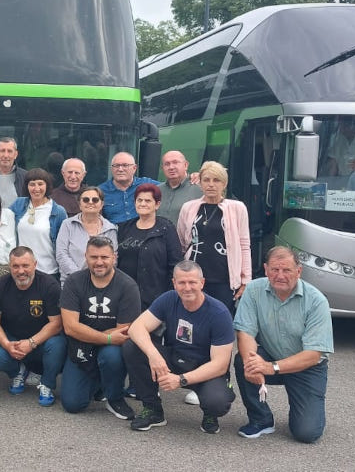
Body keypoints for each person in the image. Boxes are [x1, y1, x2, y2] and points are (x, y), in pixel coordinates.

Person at [234, 246, 333, 443]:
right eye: (274, 269)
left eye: (286, 270)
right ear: (265, 269)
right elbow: (245, 332)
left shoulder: (316, 301)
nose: (280, 275)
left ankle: (303, 412)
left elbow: (313, 354)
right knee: (242, 360)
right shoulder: (254, 290)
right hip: (270, 354)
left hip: (306, 367)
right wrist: (252, 363)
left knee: (307, 433)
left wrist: (270, 368)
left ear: (299, 271)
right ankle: (261, 419)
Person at [122, 261, 235, 434]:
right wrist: (154, 356)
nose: (187, 288)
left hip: (205, 369)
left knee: (217, 401)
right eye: (181, 282)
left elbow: (220, 364)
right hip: (175, 358)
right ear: (174, 283)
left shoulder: (219, 313)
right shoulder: (169, 299)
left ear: (202, 283)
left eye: (192, 282)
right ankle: (153, 410)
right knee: (133, 347)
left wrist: (180, 379)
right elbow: (136, 328)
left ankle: (210, 414)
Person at [59, 236, 141, 419]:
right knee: (72, 404)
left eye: (104, 257)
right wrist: (106, 338)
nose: (99, 262)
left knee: (112, 356)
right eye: (94, 257)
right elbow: (70, 327)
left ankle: (115, 398)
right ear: (85, 257)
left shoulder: (128, 286)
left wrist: (98, 338)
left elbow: (123, 330)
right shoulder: (74, 282)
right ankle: (98, 382)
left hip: (110, 348)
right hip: (80, 347)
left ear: (114, 257)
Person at [0, 247, 65, 406]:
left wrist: (31, 342)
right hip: (13, 339)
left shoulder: (49, 285)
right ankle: (18, 373)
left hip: (42, 340)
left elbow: (56, 324)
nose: (21, 271)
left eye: (25, 265)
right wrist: (7, 345)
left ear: (35, 264)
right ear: (10, 266)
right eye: (15, 266)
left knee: (58, 344)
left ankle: (47, 384)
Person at [176, 161, 250, 313]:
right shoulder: (188, 207)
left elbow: (244, 245)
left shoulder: (237, 208)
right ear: (200, 183)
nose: (211, 185)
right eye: (206, 180)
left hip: (223, 279)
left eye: (216, 180)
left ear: (224, 184)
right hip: (193, 277)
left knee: (221, 320)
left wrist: (245, 279)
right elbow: (181, 243)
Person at [117, 183, 182, 309]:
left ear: (157, 204)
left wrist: (169, 294)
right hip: (126, 295)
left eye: (148, 201)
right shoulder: (124, 228)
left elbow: (175, 263)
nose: (142, 204)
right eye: (139, 200)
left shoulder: (166, 228)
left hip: (156, 296)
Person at [10, 168, 66, 279]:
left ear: (47, 186)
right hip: (22, 271)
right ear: (27, 186)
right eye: (32, 184)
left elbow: (63, 245)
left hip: (48, 271)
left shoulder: (58, 212)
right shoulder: (18, 204)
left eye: (40, 184)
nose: (36, 189)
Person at [56, 186, 118, 284]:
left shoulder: (111, 229)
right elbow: (61, 254)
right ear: (80, 204)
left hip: (101, 283)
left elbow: (113, 258)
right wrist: (80, 277)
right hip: (72, 282)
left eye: (95, 200)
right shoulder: (67, 224)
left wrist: (96, 277)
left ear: (101, 204)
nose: (90, 202)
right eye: (85, 200)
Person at [99, 152, 160, 225]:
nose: (120, 169)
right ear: (111, 169)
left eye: (125, 165)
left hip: (144, 233)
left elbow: (168, 188)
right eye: (116, 166)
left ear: (134, 168)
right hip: (115, 234)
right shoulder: (101, 191)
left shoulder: (148, 184)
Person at [157, 151, 203, 224]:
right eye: (167, 164)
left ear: (186, 165)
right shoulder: (156, 190)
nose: (171, 167)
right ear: (162, 168)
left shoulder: (199, 189)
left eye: (175, 162)